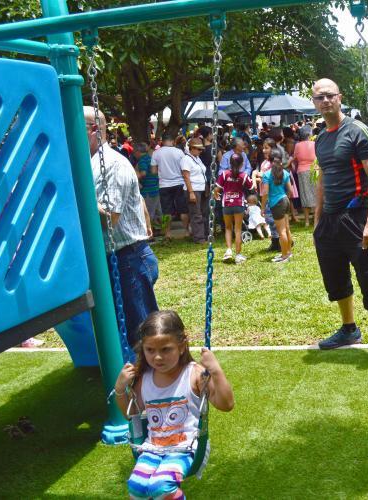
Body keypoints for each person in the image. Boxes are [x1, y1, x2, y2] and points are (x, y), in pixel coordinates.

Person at [310, 78, 368, 368]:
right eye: (319, 97)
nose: (325, 101)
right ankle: (349, 329)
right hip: (329, 221)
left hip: (355, 217)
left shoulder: (357, 131)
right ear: (314, 102)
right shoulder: (320, 138)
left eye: (330, 95)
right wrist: (318, 219)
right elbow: (322, 180)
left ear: (340, 97)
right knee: (336, 279)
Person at [114, 310, 234, 500]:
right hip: (153, 447)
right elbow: (132, 414)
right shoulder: (144, 379)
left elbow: (226, 404)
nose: (157, 357)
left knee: (162, 487)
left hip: (187, 447)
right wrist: (120, 389)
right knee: (136, 489)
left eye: (165, 349)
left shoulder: (194, 374)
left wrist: (216, 370)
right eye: (150, 350)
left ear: (181, 346)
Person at [84, 106, 158, 348]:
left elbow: (109, 220)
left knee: (143, 337)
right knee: (125, 330)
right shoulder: (90, 163)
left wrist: (78, 191)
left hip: (128, 258)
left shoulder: (111, 164)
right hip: (117, 257)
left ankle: (155, 382)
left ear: (95, 130)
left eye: (74, 126)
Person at [214, 153, 254, 264]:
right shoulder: (243, 175)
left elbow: (217, 189)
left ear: (229, 163)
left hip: (226, 203)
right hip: (238, 204)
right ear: (242, 164)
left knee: (227, 228)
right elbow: (251, 187)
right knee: (238, 229)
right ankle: (238, 255)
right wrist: (255, 177)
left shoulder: (224, 174)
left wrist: (216, 195)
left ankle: (228, 251)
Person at [152, 134, 188, 240]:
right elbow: (184, 168)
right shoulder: (179, 152)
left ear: (162, 142)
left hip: (164, 185)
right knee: (183, 209)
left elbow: (154, 171)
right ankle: (186, 231)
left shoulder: (156, 153)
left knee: (166, 211)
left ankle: (167, 233)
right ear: (172, 141)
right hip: (179, 183)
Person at [261, 150, 294, 263]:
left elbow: (265, 193)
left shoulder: (266, 174)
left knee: (281, 232)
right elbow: (290, 190)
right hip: (285, 200)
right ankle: (288, 252)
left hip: (276, 204)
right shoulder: (285, 172)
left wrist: (262, 207)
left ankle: (284, 256)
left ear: (269, 161)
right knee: (287, 229)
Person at [181, 138, 208, 243]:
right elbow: (186, 177)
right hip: (194, 189)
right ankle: (199, 238)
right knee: (196, 214)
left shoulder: (197, 158)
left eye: (201, 150)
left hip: (202, 188)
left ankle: (205, 235)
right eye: (198, 149)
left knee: (204, 212)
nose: (200, 151)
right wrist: (191, 192)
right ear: (191, 148)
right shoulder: (186, 159)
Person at [134, 142, 162, 237]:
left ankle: (150, 234)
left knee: (149, 213)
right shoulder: (150, 158)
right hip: (155, 188)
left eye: (135, 152)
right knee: (158, 211)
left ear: (138, 152)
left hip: (147, 191)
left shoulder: (142, 161)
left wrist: (135, 174)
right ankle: (159, 230)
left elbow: (143, 173)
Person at [291, 128, 317, 227]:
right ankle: (315, 218)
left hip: (302, 171)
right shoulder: (314, 144)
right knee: (316, 194)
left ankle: (306, 221)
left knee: (305, 195)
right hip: (315, 170)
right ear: (309, 134)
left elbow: (295, 158)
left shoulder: (297, 145)